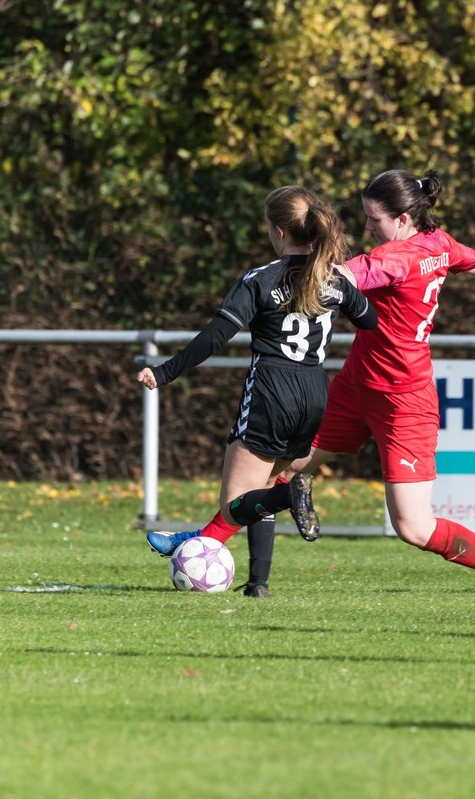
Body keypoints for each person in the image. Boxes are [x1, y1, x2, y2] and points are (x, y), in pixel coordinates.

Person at [166, 169, 475, 593]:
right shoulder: (438, 244)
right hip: (355, 387)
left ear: (404, 218)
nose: (369, 226)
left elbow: (341, 277)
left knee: (414, 526)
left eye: (376, 219)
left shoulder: (392, 260)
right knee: (281, 467)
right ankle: (205, 542)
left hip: (404, 401)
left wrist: (283, 274)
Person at [139, 186, 376, 597]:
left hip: (271, 388)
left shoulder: (261, 279)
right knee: (261, 490)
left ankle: (287, 496)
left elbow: (214, 338)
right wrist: (343, 286)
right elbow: (369, 320)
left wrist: (164, 373)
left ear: (280, 231)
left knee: (239, 503)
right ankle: (258, 584)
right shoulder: (333, 278)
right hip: (314, 392)